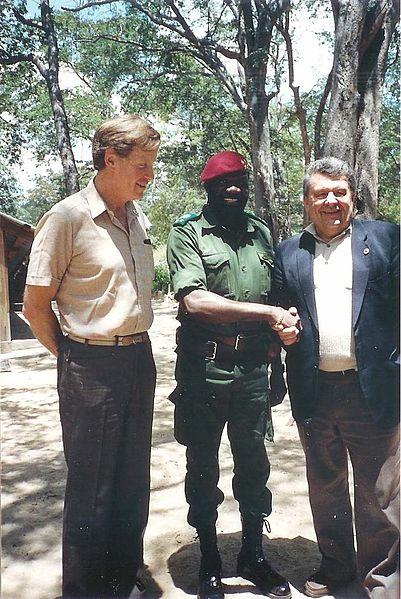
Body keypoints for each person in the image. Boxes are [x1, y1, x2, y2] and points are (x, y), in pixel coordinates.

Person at [23, 114, 160, 598]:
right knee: (92, 487)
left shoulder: (135, 215)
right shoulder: (67, 218)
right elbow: (35, 307)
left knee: (131, 482)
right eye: (141, 165)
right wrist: (73, 356)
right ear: (110, 159)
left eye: (152, 164)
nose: (149, 174)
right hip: (89, 365)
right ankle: (85, 589)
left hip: (138, 361)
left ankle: (123, 577)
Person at [166, 150, 299, 599]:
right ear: (207, 188)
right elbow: (195, 302)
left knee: (254, 465)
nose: (233, 188)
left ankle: (253, 555)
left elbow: (279, 299)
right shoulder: (186, 232)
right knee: (202, 465)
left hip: (254, 370)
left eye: (240, 181)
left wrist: (276, 363)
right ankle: (209, 558)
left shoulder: (261, 232)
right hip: (205, 369)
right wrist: (266, 311)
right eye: (224, 183)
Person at [273, 157, 400, 598]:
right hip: (316, 390)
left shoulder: (387, 238)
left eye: (340, 192)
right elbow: (282, 310)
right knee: (325, 487)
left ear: (352, 197)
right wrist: (283, 326)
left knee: (379, 493)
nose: (332, 201)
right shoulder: (289, 251)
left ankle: (382, 578)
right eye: (321, 193)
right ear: (307, 201)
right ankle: (335, 567)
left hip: (375, 390)